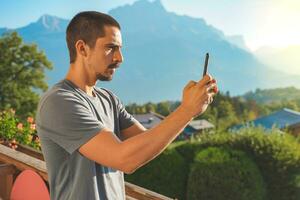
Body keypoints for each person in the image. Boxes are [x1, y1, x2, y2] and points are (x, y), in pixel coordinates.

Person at [36, 11, 218, 200]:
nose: (119, 58)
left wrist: (191, 107)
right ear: (82, 48)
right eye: (111, 48)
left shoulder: (109, 100)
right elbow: (125, 159)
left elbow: (146, 142)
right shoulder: (59, 102)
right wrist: (186, 111)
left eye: (120, 49)